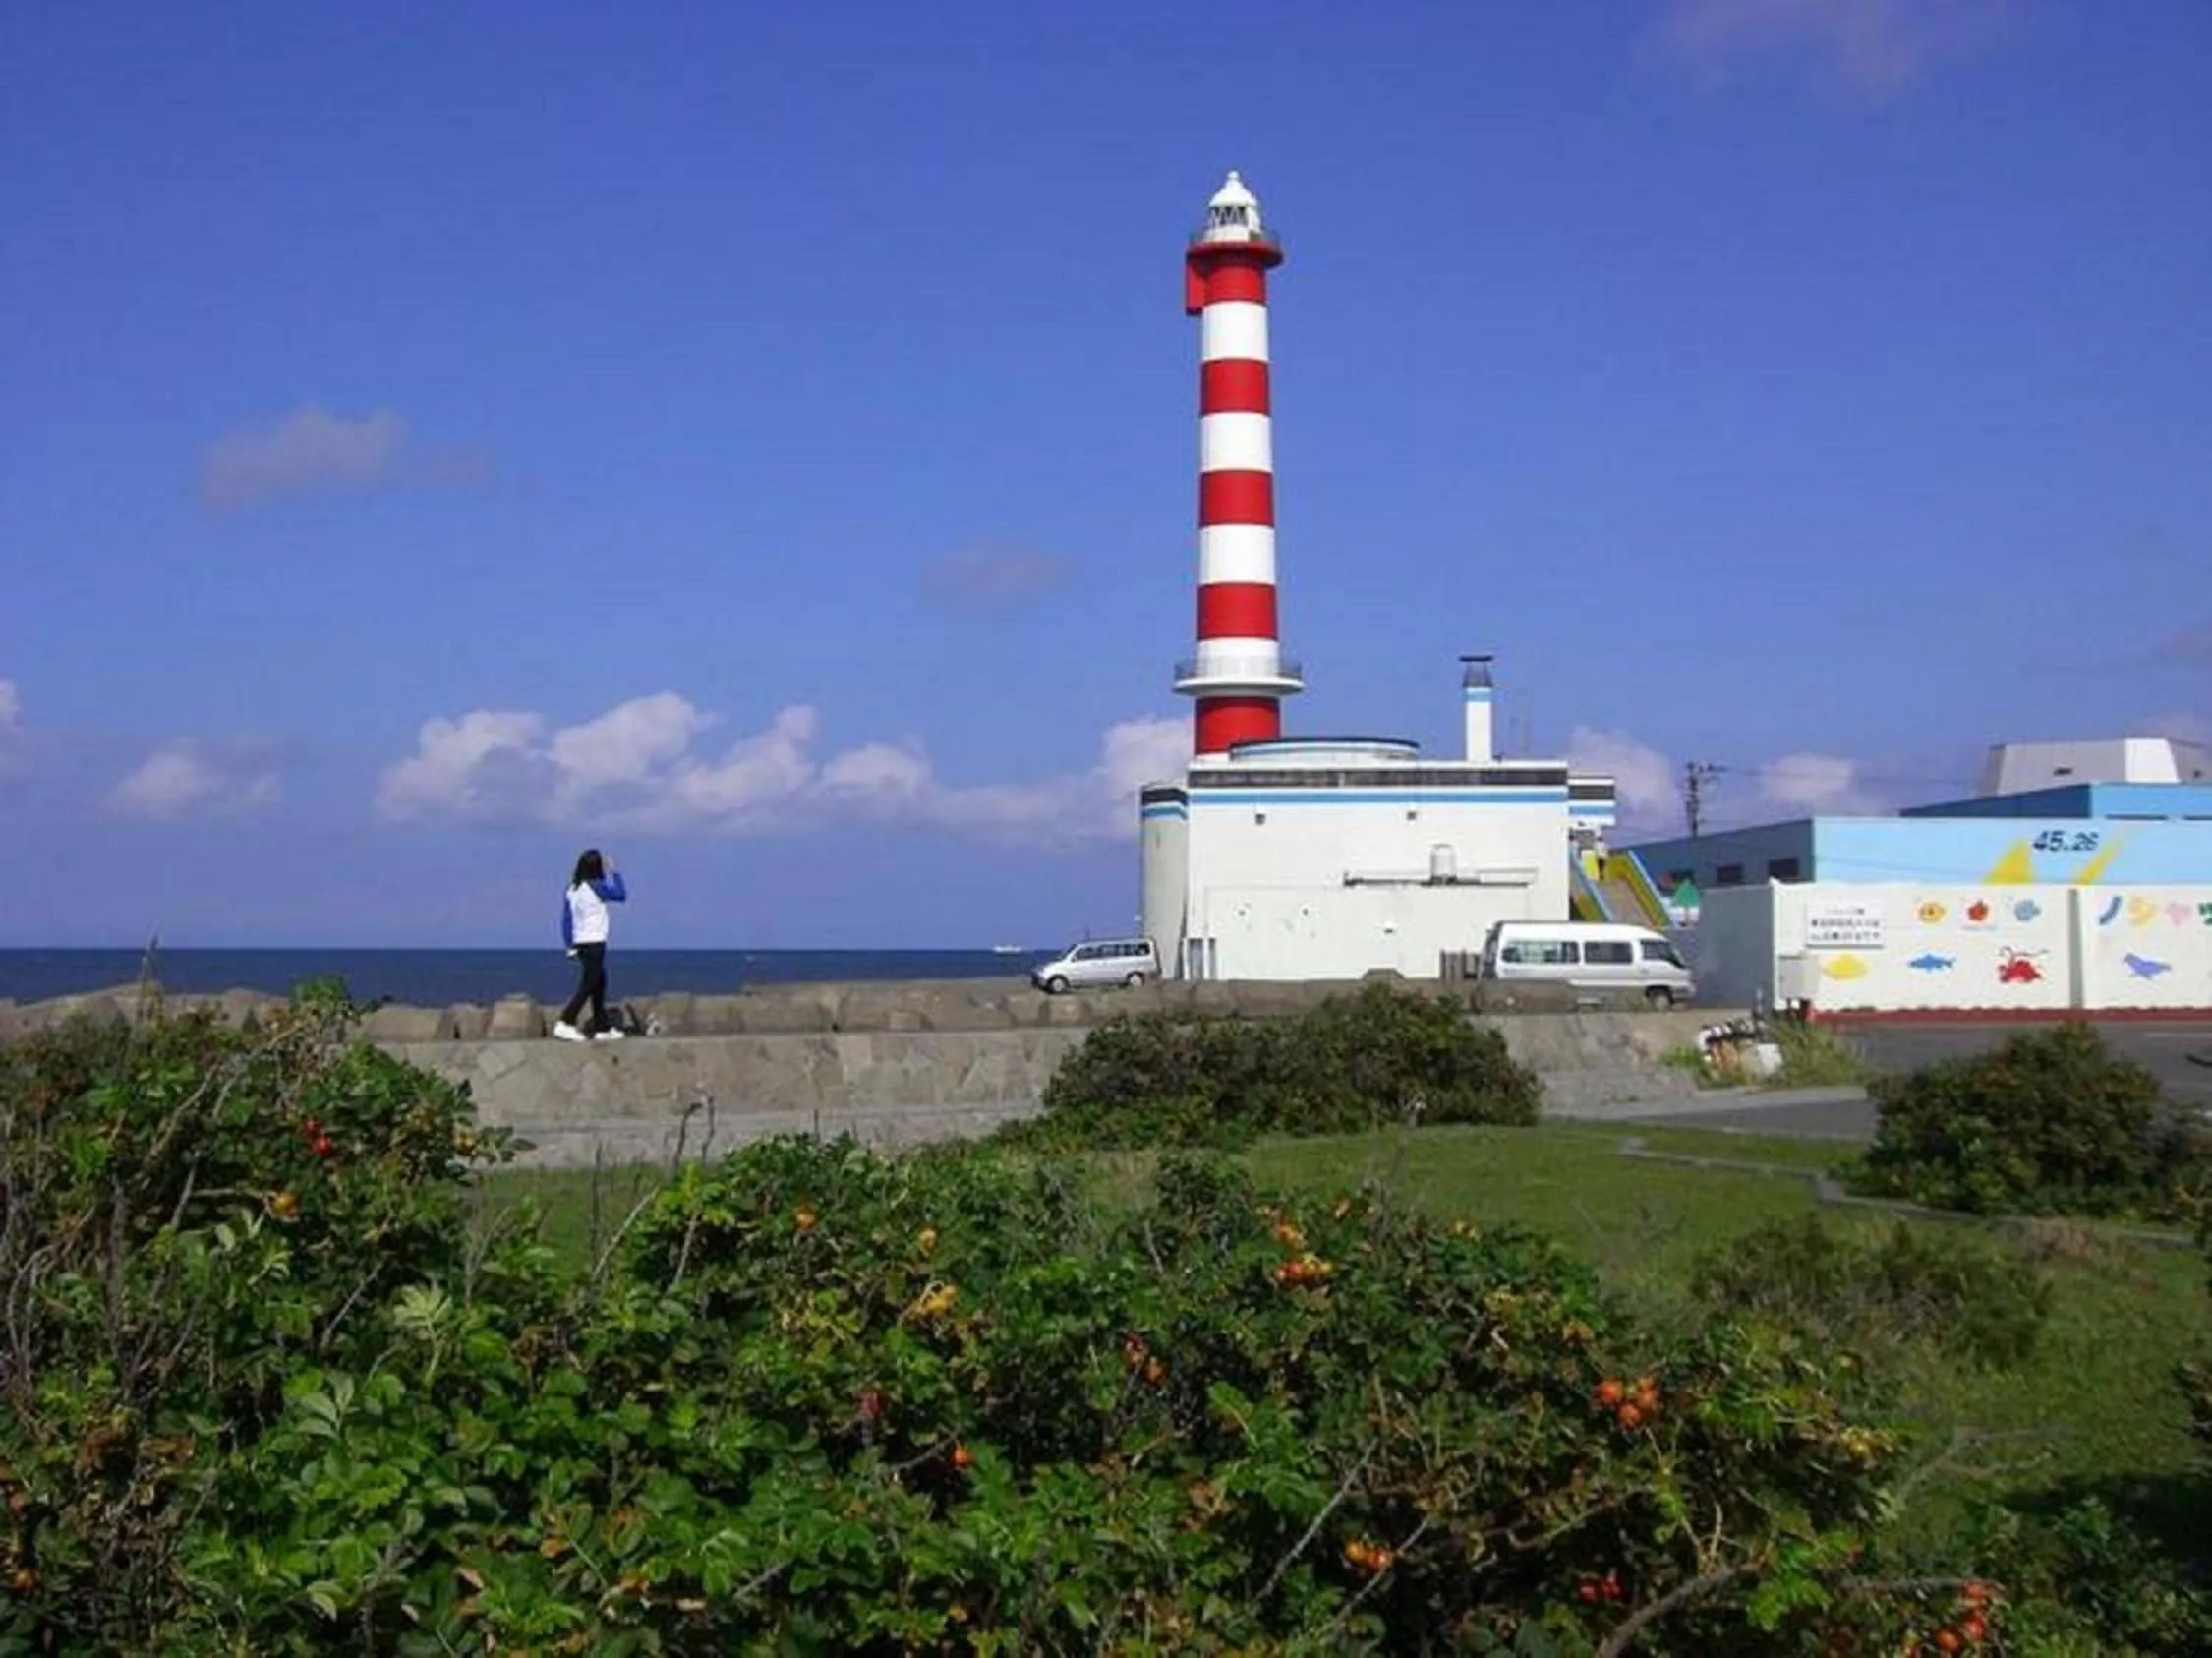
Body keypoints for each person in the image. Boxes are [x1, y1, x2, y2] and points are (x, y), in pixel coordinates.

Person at [554, 849, 628, 1042]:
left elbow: (567, 919)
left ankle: (601, 1028)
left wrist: (569, 945)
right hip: (594, 941)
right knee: (589, 984)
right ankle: (565, 1021)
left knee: (599, 984)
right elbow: (620, 895)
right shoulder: (596, 886)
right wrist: (615, 873)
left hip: (580, 942)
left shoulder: (572, 889)